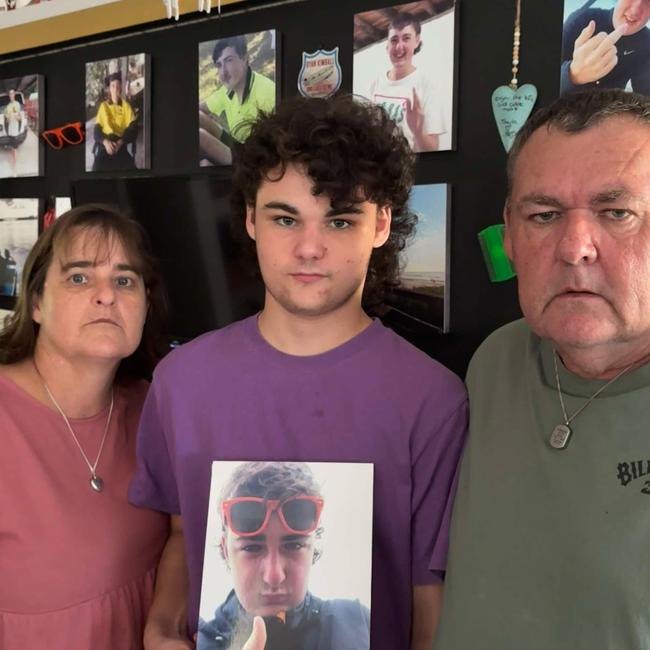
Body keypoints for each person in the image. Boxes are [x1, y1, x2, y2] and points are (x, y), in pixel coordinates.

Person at [129, 95, 468, 650]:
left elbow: (426, 589)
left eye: (339, 219)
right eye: (285, 218)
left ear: (381, 223)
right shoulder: (180, 381)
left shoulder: (433, 399)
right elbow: (183, 529)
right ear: (250, 220)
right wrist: (161, 626)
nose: (309, 247)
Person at [434, 88, 650, 649]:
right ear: (509, 232)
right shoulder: (495, 362)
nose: (575, 246)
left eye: (618, 212)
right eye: (544, 215)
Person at [0, 204, 169, 649]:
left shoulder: (157, 408)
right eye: (79, 277)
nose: (107, 295)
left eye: (124, 280)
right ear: (36, 303)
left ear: (145, 307)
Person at [197, 462, 370, 650]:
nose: (274, 576)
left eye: (294, 545)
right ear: (225, 550)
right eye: (252, 548)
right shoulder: (196, 642)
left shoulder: (358, 625)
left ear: (313, 548)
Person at [366, 14, 445, 153]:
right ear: (387, 45)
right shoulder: (375, 84)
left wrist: (418, 131)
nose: (399, 46)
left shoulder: (428, 86)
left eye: (406, 38)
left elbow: (433, 148)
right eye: (394, 40)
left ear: (417, 41)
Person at [199, 35, 276, 166]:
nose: (223, 72)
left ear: (245, 59)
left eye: (229, 60)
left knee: (204, 156)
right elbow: (200, 109)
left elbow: (273, 150)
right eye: (219, 65)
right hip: (238, 146)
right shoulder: (227, 90)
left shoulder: (267, 94)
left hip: (255, 160)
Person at [560, 0, 650, 95]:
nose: (635, 10)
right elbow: (545, 78)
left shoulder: (646, 42)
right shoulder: (582, 18)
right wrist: (573, 74)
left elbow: (645, 95)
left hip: (610, 107)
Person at [93, 71, 138, 172]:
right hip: (105, 146)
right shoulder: (103, 106)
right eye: (113, 86)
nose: (115, 89)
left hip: (120, 145)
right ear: (109, 89)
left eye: (118, 86)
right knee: (96, 170)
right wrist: (105, 142)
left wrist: (121, 142)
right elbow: (96, 131)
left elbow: (133, 128)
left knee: (132, 171)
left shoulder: (126, 106)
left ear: (121, 88)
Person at [4, 88, 22, 176]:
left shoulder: (17, 104)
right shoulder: (7, 106)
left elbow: (19, 117)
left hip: (15, 130)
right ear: (9, 96)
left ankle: (15, 168)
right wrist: (8, 117)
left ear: (14, 95)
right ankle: (14, 162)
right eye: (10, 94)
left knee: (14, 149)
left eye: (12, 94)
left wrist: (15, 116)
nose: (11, 95)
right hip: (10, 130)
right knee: (12, 148)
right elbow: (7, 120)